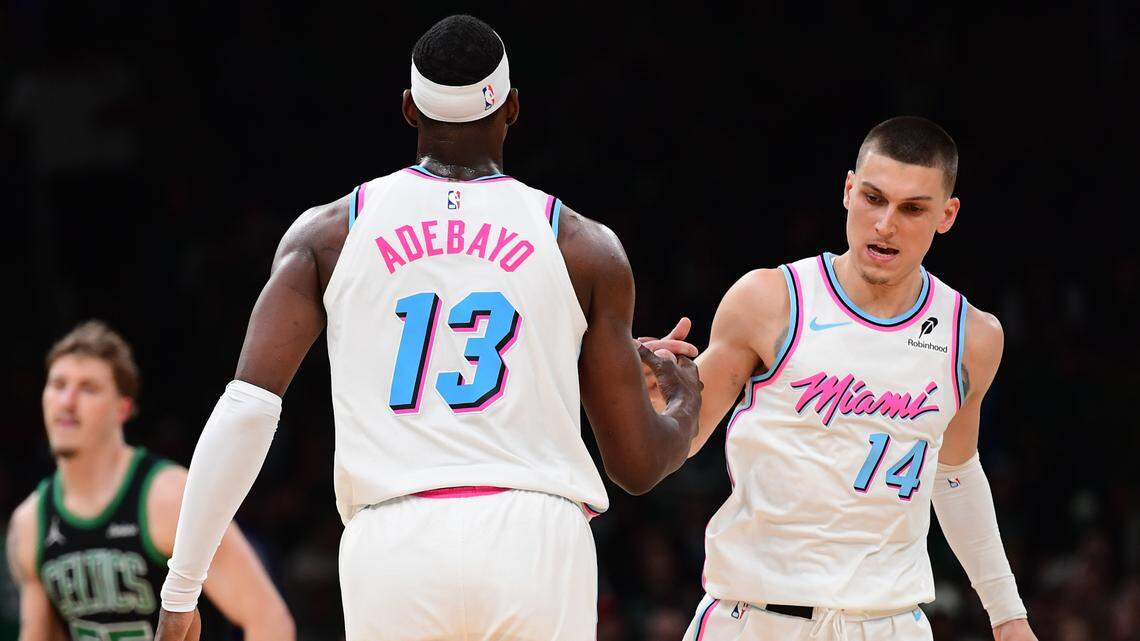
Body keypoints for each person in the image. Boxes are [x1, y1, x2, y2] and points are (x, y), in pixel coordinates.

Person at [154, 14, 701, 641]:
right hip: (535, 538)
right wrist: (684, 399)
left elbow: (247, 410)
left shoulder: (329, 234)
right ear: (512, 108)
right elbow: (636, 466)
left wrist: (182, 589)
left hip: (393, 540)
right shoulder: (584, 246)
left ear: (410, 109)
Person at [644, 117, 1038, 640]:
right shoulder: (770, 300)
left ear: (947, 215)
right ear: (848, 190)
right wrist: (646, 401)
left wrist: (1008, 615)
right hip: (756, 616)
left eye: (912, 209)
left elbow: (955, 474)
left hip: (889, 623)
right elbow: (679, 438)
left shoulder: (973, 337)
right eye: (873, 198)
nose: (885, 224)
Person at [5, 320, 294, 641]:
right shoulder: (31, 521)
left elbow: (269, 621)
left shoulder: (167, 496)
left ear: (123, 408)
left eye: (88, 388)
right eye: (58, 385)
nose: (67, 401)